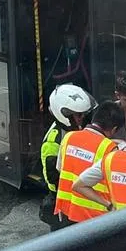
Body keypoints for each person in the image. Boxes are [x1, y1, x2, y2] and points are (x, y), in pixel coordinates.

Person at [54, 101, 124, 227]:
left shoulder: (68, 137)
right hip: (93, 218)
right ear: (114, 129)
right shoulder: (110, 149)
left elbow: (60, 168)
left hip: (66, 211)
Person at [39, 84, 96, 231]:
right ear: (64, 115)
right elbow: (53, 179)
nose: (82, 118)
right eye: (78, 115)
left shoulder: (73, 129)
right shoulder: (53, 141)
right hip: (64, 203)